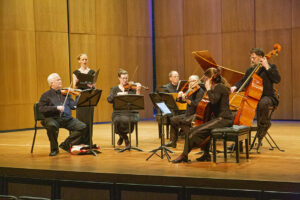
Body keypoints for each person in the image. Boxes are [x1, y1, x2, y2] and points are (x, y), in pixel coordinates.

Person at [172, 68, 233, 163]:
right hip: (218, 118)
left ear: (211, 78)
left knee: (198, 131)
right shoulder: (215, 87)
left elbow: (213, 101)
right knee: (193, 130)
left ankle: (185, 155)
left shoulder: (219, 87)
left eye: (206, 79)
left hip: (224, 119)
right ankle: (203, 154)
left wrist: (208, 88)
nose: (204, 81)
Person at [230, 48, 281, 144]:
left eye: (253, 58)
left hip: (268, 96)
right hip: (254, 97)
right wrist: (235, 86)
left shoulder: (271, 67)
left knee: (263, 103)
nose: (251, 60)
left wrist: (267, 67)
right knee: (242, 109)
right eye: (251, 58)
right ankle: (238, 141)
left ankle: (263, 126)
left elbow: (277, 79)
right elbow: (243, 81)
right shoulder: (250, 70)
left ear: (261, 57)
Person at [39, 73, 86, 156]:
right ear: (51, 83)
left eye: (60, 79)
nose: (60, 81)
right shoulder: (46, 95)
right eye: (58, 80)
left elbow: (73, 106)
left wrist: (79, 97)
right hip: (53, 118)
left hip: (67, 119)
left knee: (82, 127)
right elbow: (42, 109)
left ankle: (65, 144)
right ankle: (54, 149)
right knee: (51, 126)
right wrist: (56, 108)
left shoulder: (66, 94)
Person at [165, 75, 205, 148]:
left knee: (184, 122)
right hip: (188, 114)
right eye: (189, 81)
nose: (191, 83)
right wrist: (179, 97)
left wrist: (186, 99)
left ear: (198, 82)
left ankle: (192, 142)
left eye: (193, 81)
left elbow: (196, 105)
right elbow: (182, 101)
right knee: (173, 119)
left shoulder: (200, 92)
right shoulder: (190, 90)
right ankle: (173, 142)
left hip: (196, 115)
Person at [107, 69, 142, 147]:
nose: (125, 80)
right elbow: (109, 100)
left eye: (126, 78)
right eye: (123, 78)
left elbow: (137, 101)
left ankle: (121, 135)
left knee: (129, 120)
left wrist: (138, 91)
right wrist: (118, 95)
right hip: (118, 112)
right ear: (119, 78)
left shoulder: (131, 88)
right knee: (117, 120)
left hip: (130, 112)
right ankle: (125, 137)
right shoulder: (114, 89)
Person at [73, 54, 96, 145]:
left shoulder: (92, 72)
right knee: (80, 120)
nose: (84, 61)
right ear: (79, 61)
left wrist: (92, 86)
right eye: (83, 59)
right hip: (80, 98)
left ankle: (88, 142)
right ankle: (80, 141)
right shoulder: (76, 73)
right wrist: (77, 83)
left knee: (89, 120)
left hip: (89, 97)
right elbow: (75, 88)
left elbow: (94, 87)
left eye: (86, 59)